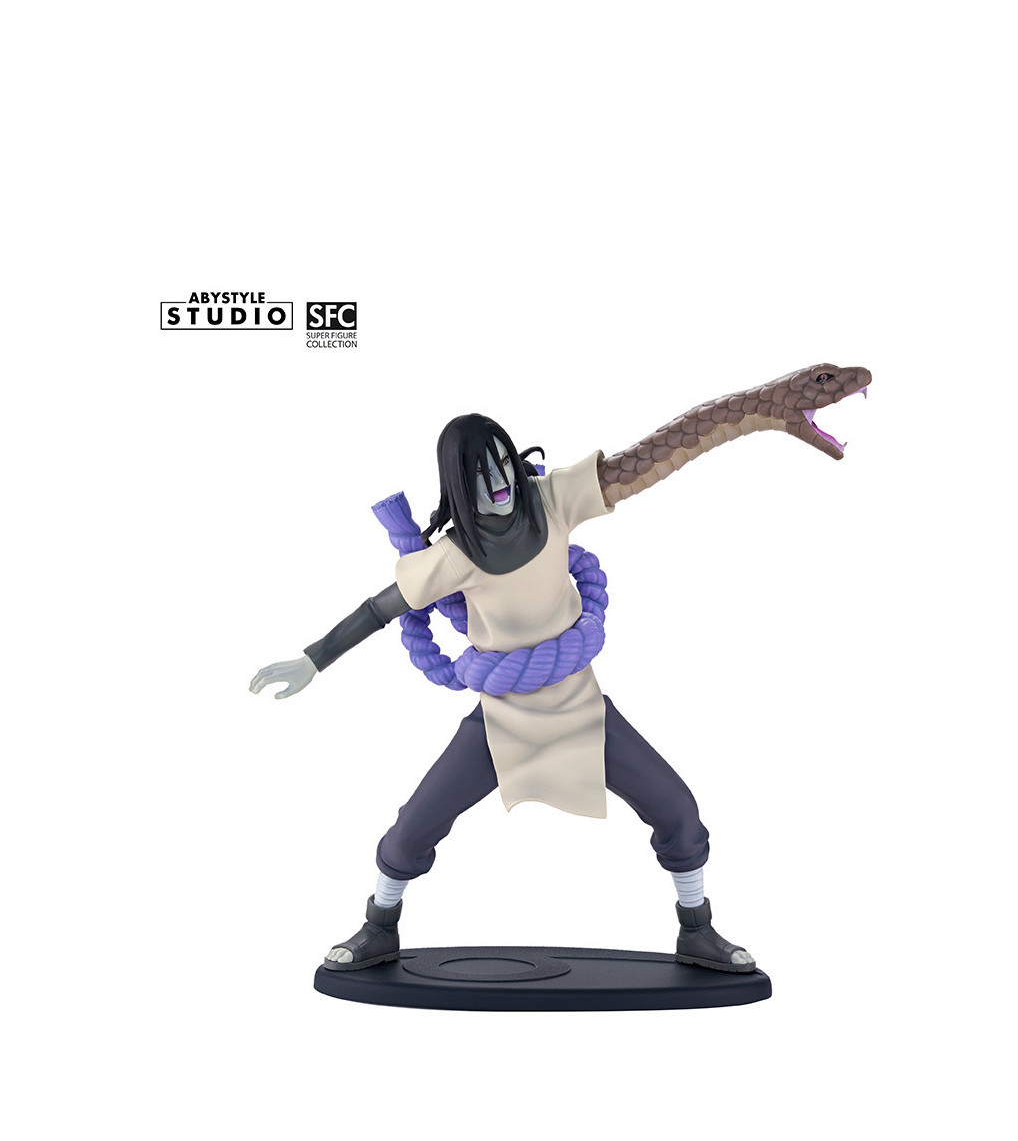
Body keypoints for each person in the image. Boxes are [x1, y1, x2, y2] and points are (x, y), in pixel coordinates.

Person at [251, 365, 871, 973]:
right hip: (502, 722)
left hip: (581, 709)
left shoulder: (551, 502)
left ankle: (697, 930)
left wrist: (761, 406)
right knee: (412, 829)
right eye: (478, 473)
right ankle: (378, 926)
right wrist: (311, 660)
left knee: (678, 811)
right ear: (457, 484)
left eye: (501, 462)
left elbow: (652, 457)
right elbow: (378, 610)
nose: (497, 481)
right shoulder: (452, 557)